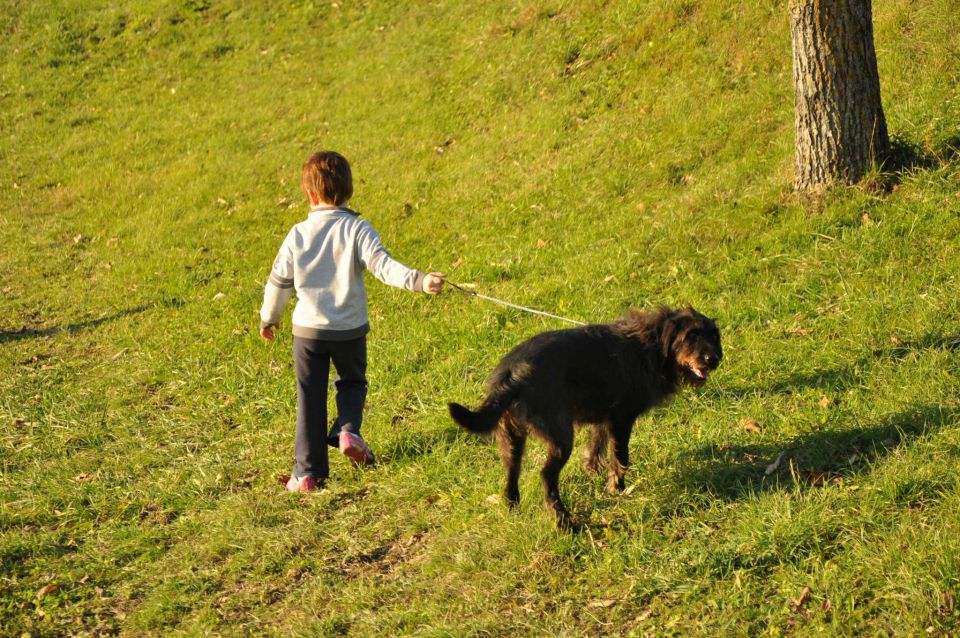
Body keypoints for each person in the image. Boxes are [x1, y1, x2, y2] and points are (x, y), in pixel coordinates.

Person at [260, 150, 445, 491]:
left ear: (309, 195)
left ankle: (307, 473)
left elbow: (279, 282)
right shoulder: (358, 229)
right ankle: (347, 430)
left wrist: (268, 317)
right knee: (352, 382)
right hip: (349, 331)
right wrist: (420, 280)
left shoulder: (297, 235)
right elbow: (384, 267)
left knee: (310, 396)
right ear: (349, 192)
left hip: (308, 333)